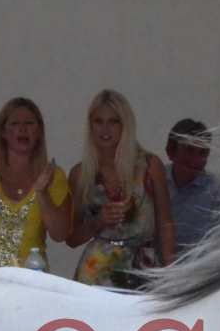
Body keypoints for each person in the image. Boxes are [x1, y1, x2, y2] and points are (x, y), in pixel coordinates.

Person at [65, 90, 176, 286]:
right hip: (96, 270)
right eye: (98, 121)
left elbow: (165, 225)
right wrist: (98, 222)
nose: (105, 129)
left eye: (113, 121)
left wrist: (172, 273)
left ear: (125, 125)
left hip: (144, 267)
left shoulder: (150, 166)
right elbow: (71, 238)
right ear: (90, 125)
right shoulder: (81, 174)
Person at [0, 97, 73, 268]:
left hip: (29, 279)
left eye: (30, 123)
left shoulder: (53, 175)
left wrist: (42, 193)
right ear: (3, 132)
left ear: (39, 131)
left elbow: (60, 234)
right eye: (14, 124)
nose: (22, 129)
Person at [162, 118, 220, 261]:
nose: (196, 159)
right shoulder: (153, 181)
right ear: (170, 151)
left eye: (203, 153)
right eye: (189, 150)